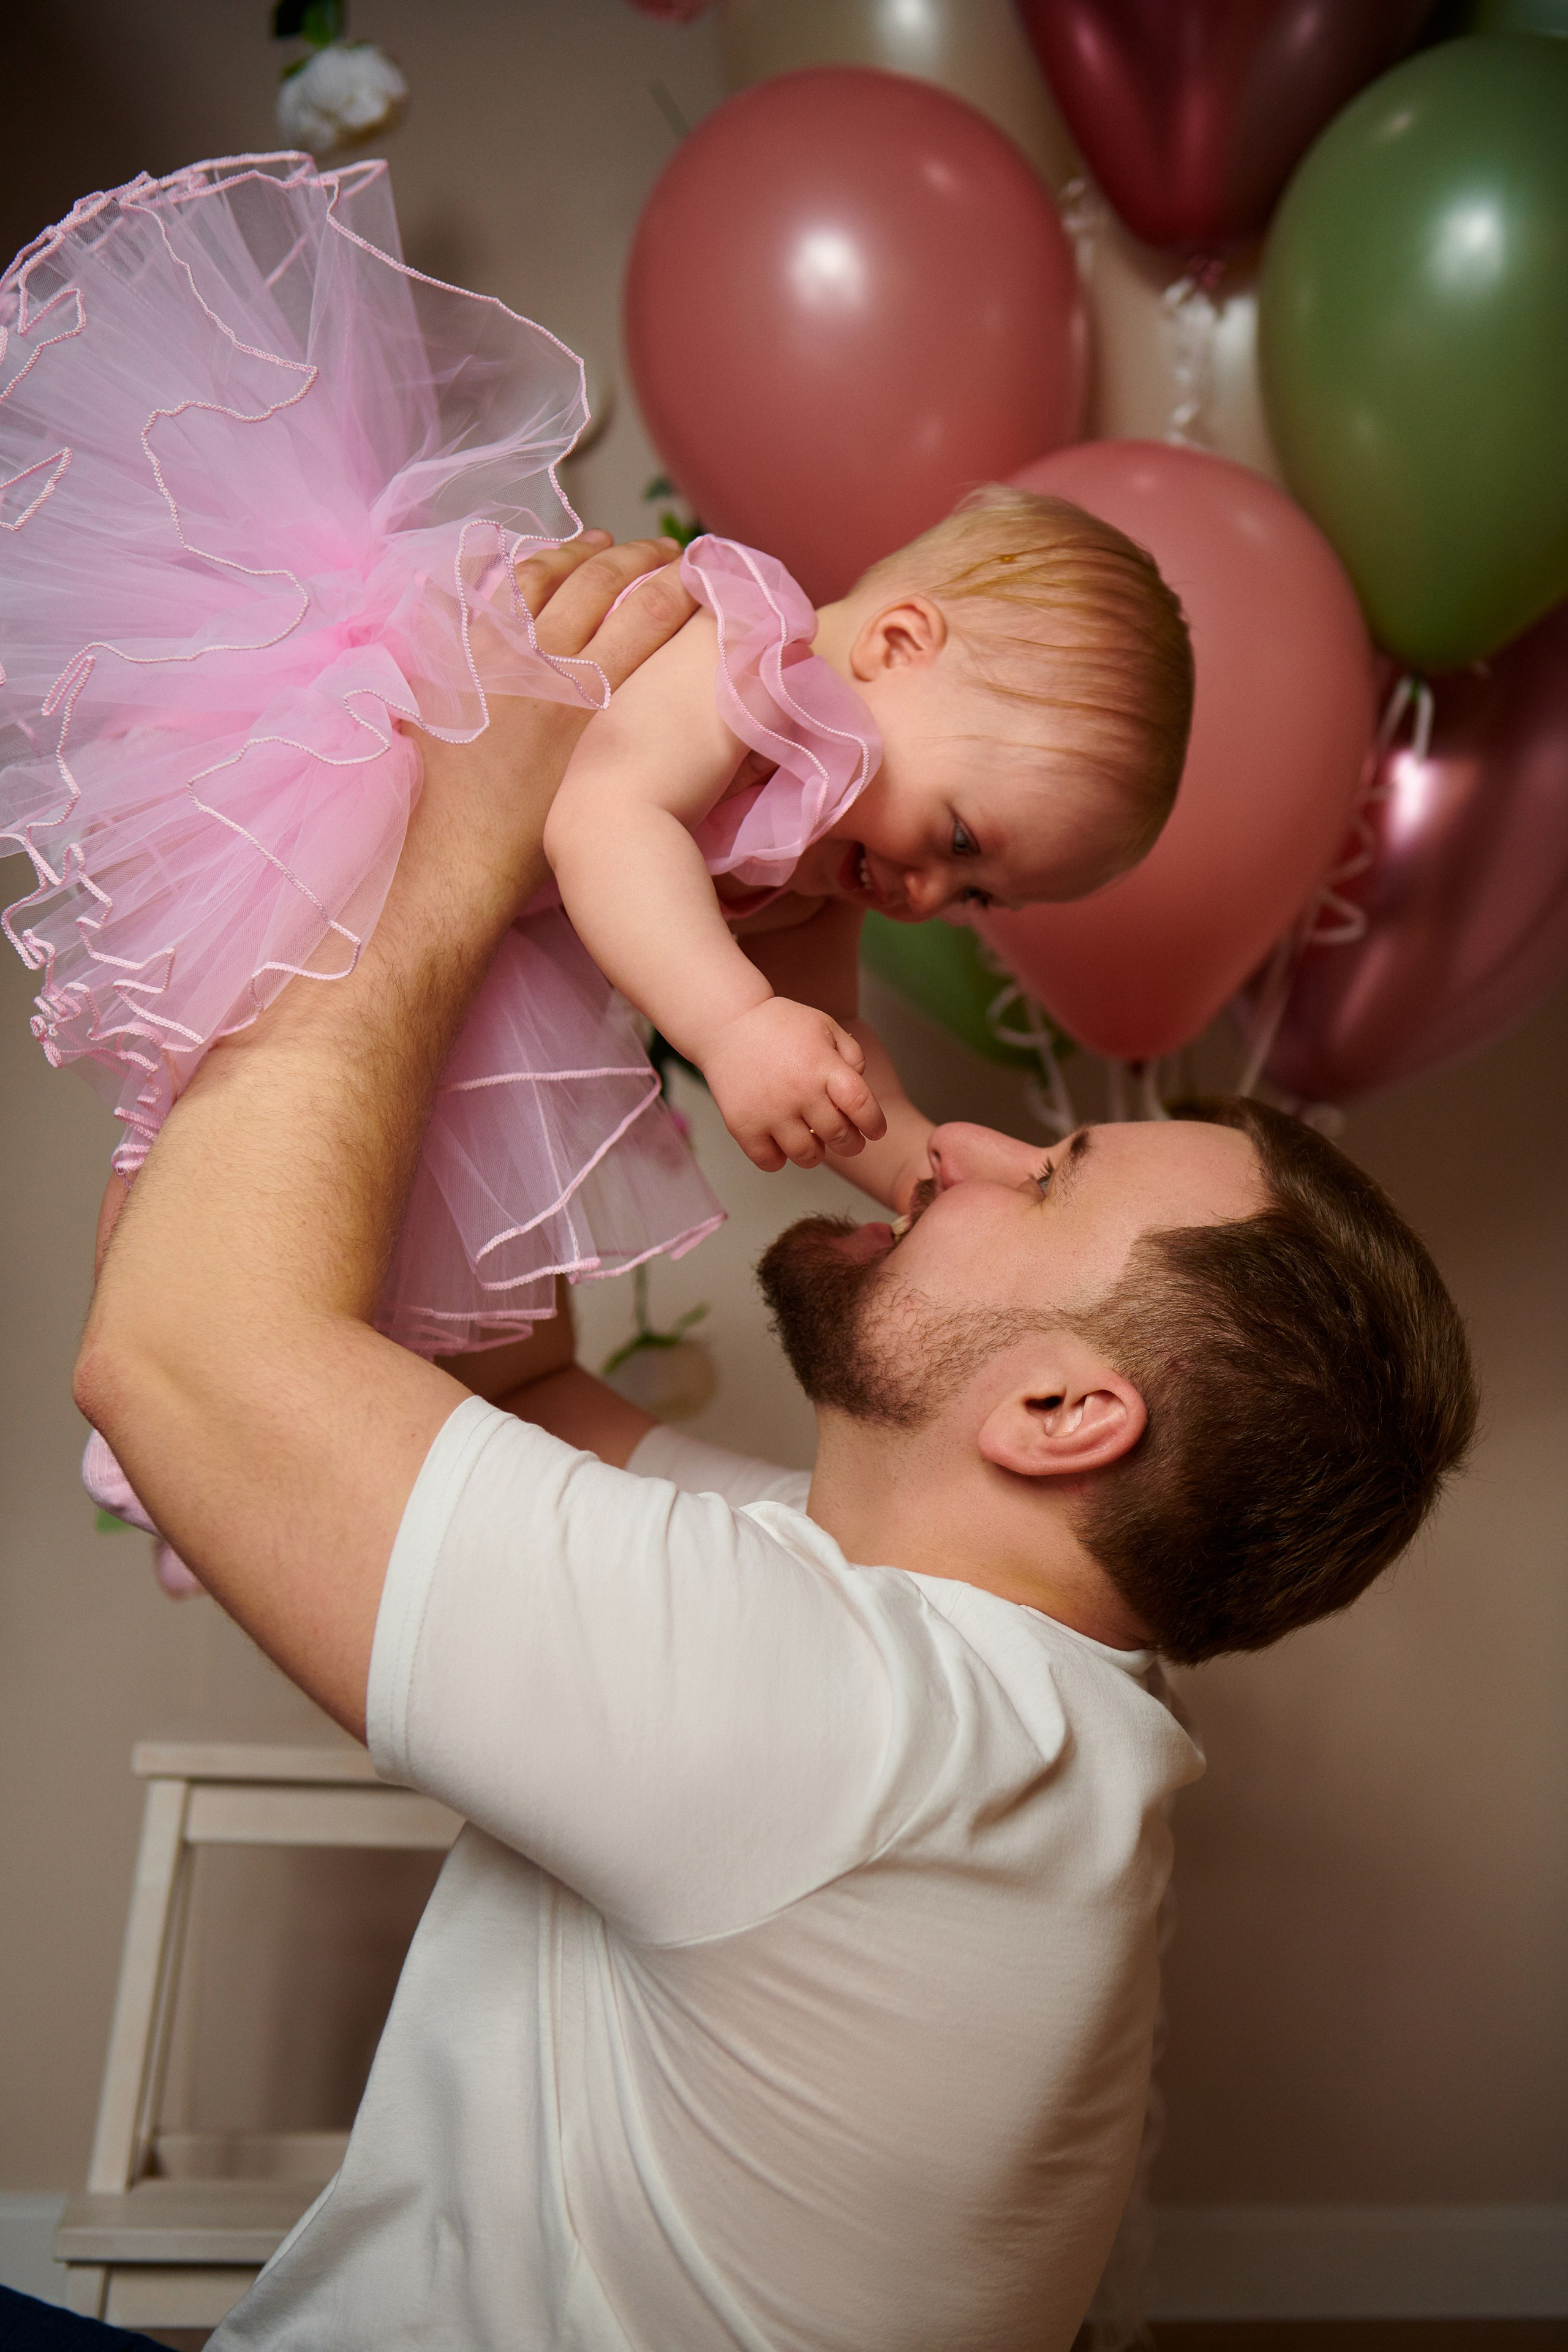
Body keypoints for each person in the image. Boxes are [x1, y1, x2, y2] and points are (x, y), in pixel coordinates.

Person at [41, 535, 1476, 2352]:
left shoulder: (841, 1732)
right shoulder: (1003, 1703)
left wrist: (457, 843)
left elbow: (170, 1360)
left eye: (1047, 1178)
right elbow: (512, 1409)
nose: (956, 1149)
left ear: (1059, 1413)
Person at [1, 150, 1191, 1372]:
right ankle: (150, 1341)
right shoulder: (746, 645)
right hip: (360, 763)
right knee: (217, 1074)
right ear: (894, 644)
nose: (934, 899)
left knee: (366, 1166)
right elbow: (609, 817)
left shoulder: (819, 857)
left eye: (981, 897)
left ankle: (216, 1378)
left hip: (459, 904)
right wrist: (732, 1031)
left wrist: (913, 1166)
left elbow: (829, 1038)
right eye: (956, 840)